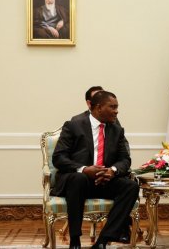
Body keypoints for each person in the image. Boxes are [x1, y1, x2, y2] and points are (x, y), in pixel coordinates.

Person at [51, 90, 139, 249]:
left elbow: (125, 159)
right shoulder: (74, 125)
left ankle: (103, 241)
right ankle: (75, 240)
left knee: (131, 186)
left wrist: (112, 170)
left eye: (117, 107)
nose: (116, 111)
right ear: (98, 107)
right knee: (79, 178)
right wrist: (84, 169)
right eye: (112, 107)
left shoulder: (116, 130)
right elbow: (59, 157)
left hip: (104, 181)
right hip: (77, 182)